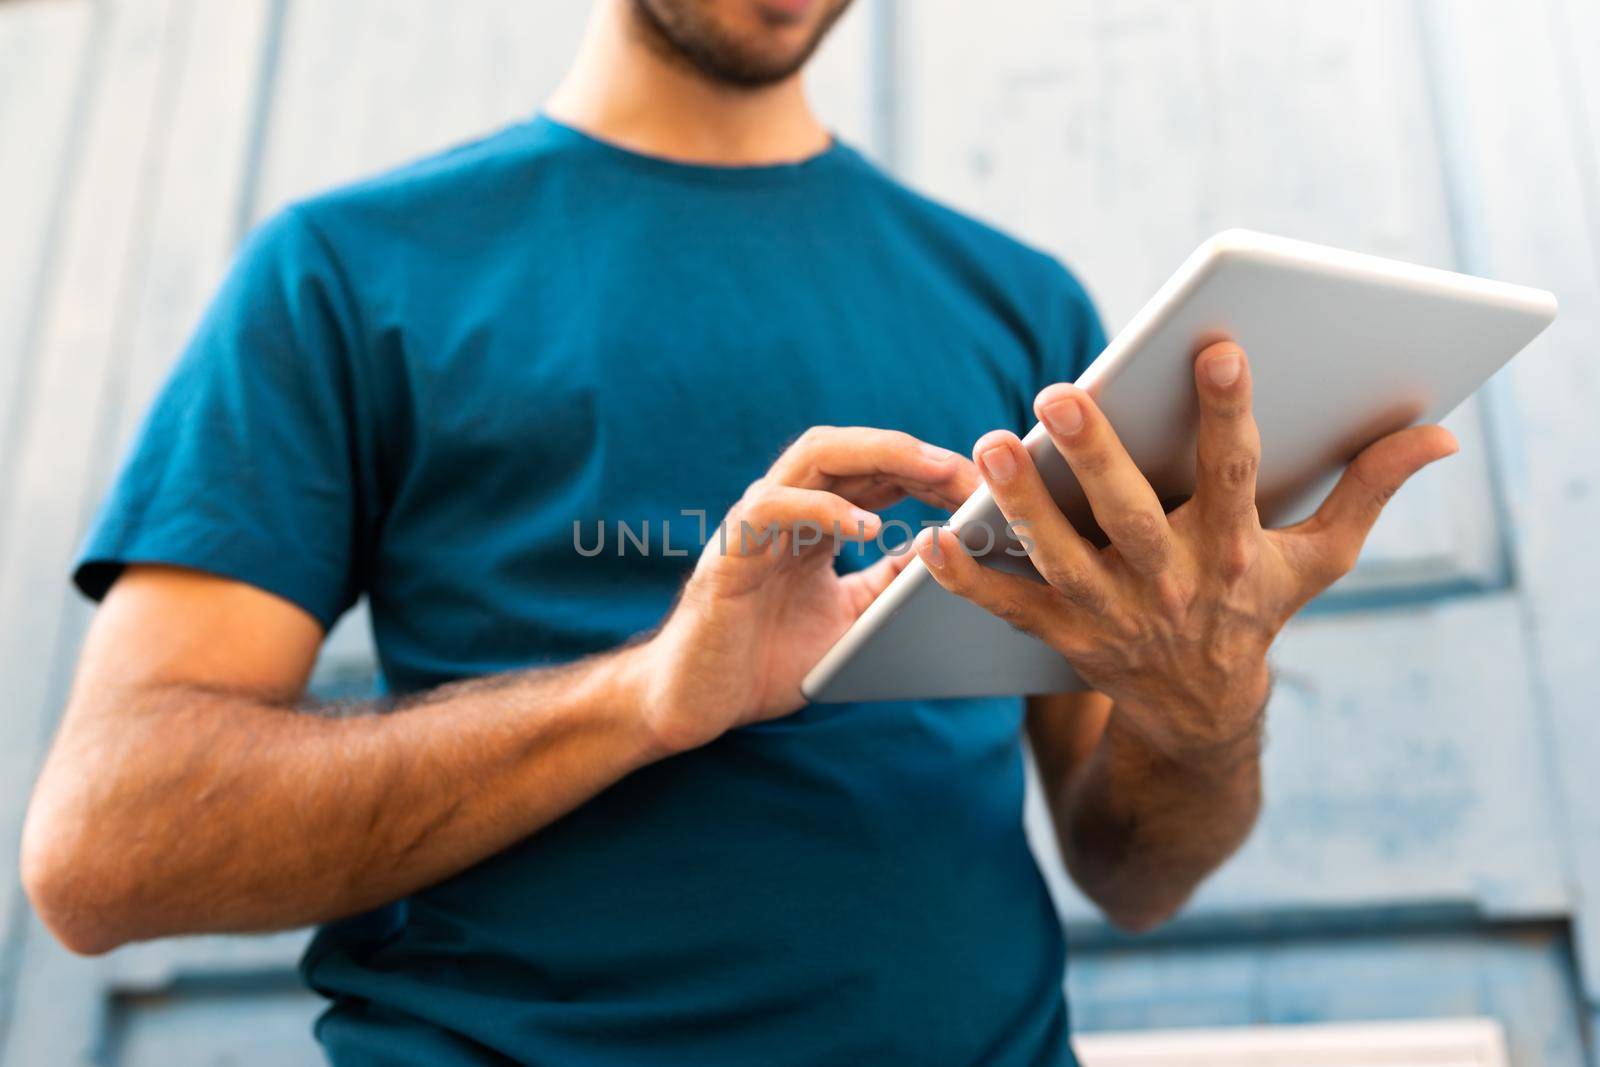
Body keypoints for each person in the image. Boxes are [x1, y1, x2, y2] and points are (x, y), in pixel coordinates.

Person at [19, 0, 1457, 1064]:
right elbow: (105, 848)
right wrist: (648, 696)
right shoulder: (346, 273)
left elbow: (1132, 873)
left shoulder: (1027, 312)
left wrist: (1204, 714)